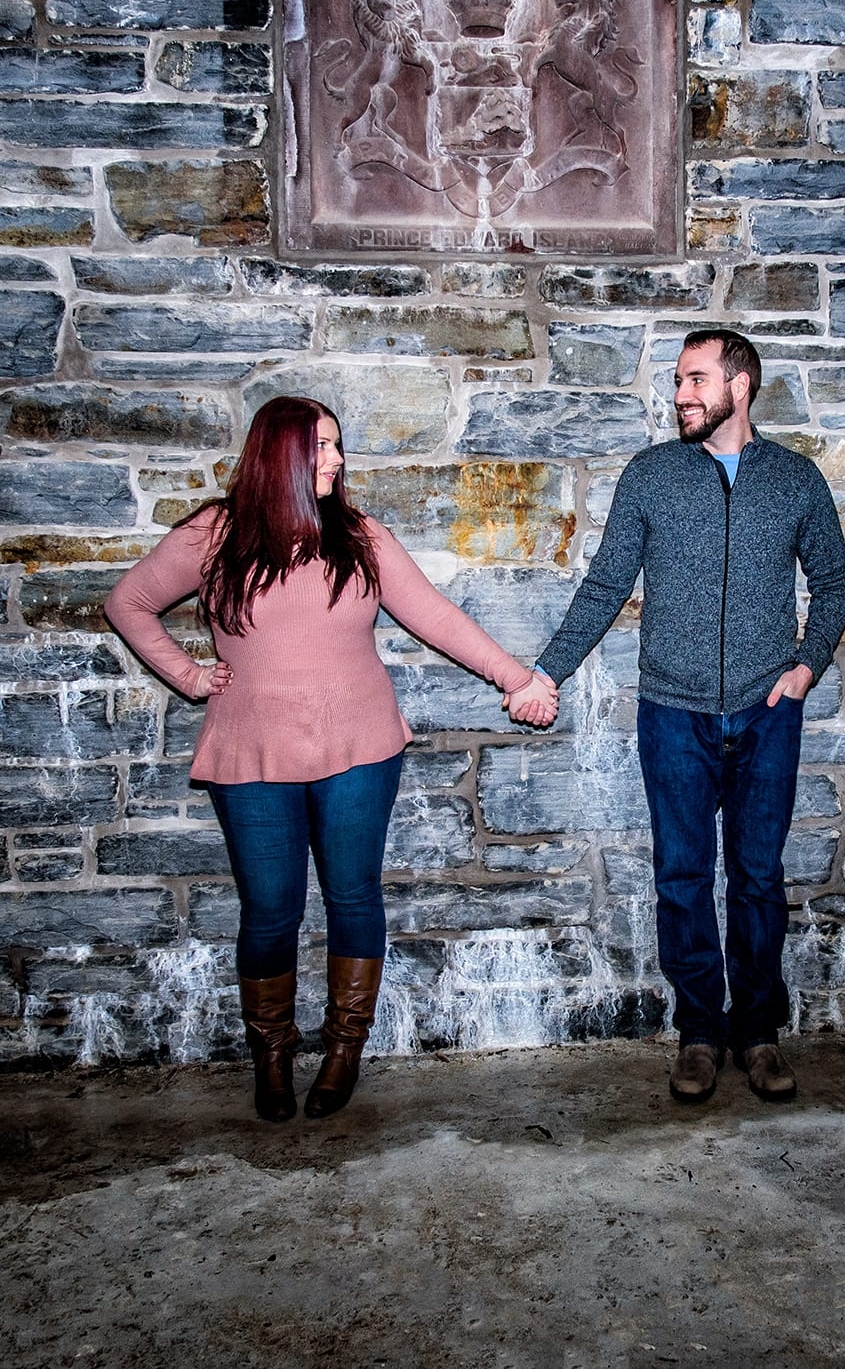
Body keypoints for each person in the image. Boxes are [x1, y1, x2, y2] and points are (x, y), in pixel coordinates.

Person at [105, 396, 557, 1123]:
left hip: (359, 750)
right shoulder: (213, 534)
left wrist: (516, 678)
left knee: (352, 898)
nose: (338, 459)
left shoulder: (359, 536)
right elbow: (127, 602)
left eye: (338, 446)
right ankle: (273, 1057)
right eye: (321, 446)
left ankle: (344, 1047)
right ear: (278, 453)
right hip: (251, 752)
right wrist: (188, 677)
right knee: (269, 912)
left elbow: (435, 616)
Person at [507, 329, 845, 1103]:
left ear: (741, 383)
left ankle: (757, 1032)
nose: (680, 395)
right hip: (672, 713)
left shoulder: (795, 481)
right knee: (682, 877)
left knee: (758, 880)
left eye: (695, 379)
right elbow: (603, 587)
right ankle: (699, 1032)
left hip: (768, 711)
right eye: (676, 382)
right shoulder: (651, 475)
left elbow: (833, 583)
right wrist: (544, 672)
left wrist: (804, 669)